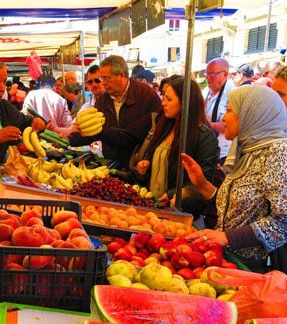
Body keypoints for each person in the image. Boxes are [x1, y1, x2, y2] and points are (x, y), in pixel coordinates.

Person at [182, 85, 287, 272]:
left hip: (250, 267)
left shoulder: (282, 152)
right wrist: (202, 185)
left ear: (251, 114)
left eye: (229, 111)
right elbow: (241, 207)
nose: (224, 118)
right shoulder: (249, 148)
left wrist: (228, 237)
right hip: (225, 259)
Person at [133, 76, 218, 213]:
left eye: (169, 99)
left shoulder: (204, 137)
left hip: (179, 210)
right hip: (152, 205)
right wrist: (145, 165)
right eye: (164, 97)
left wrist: (173, 193)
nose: (163, 103)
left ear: (185, 102)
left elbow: (202, 181)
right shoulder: (164, 126)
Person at [68, 55, 162, 168]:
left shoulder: (146, 95)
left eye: (106, 78)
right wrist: (71, 139)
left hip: (139, 164)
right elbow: (96, 132)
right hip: (111, 161)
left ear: (121, 75)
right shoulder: (103, 100)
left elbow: (135, 135)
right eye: (101, 78)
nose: (103, 83)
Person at [202, 57, 236, 160]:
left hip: (223, 153)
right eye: (206, 74)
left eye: (212, 74)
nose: (207, 78)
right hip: (206, 148)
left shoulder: (233, 94)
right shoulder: (206, 90)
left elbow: (229, 126)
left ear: (225, 74)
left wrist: (206, 124)